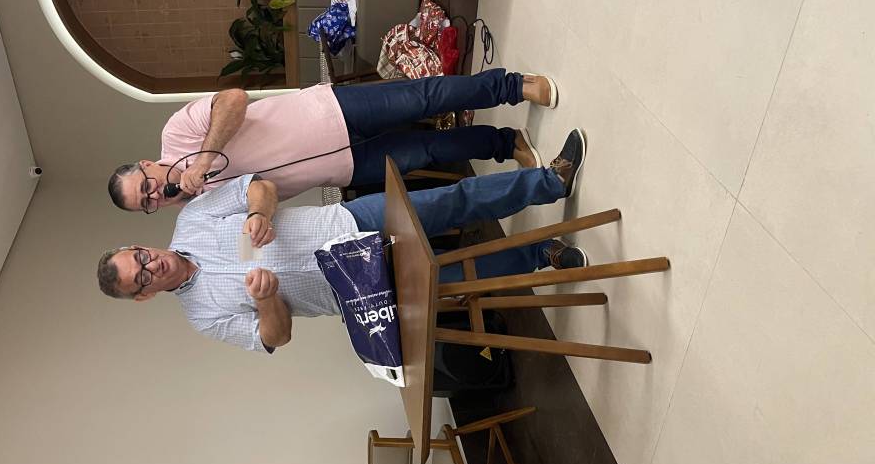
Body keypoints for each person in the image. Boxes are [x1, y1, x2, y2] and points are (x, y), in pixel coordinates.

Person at [96, 129, 586, 353]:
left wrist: (259, 213)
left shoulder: (194, 220)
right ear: (143, 296)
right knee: (456, 277)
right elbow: (274, 337)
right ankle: (543, 255)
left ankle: (549, 182)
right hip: (358, 286)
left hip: (347, 223)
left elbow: (258, 187)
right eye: (141, 277)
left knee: (451, 202)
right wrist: (266, 302)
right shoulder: (202, 316)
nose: (151, 265)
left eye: (140, 256)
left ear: (141, 244)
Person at [107, 68, 560, 213]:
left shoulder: (176, 133)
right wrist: (253, 227)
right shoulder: (201, 209)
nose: (155, 195)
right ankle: (507, 144)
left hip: (330, 112)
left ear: (147, 164)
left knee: (424, 98)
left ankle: (513, 86)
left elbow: (234, 100)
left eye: (146, 186)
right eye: (147, 203)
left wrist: (203, 160)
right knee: (429, 151)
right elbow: (260, 210)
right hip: (342, 168)